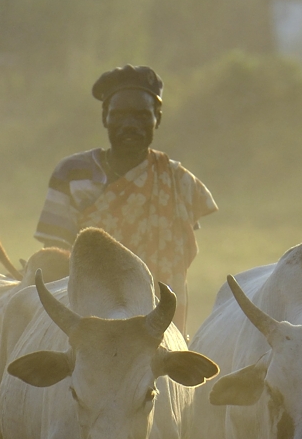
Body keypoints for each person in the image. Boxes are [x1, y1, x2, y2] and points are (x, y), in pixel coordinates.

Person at [35, 64, 218, 326]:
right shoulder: (72, 173)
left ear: (158, 118)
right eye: (119, 115)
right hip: (90, 322)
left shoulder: (180, 183)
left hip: (158, 323)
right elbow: (54, 258)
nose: (130, 125)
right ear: (104, 118)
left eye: (142, 115)